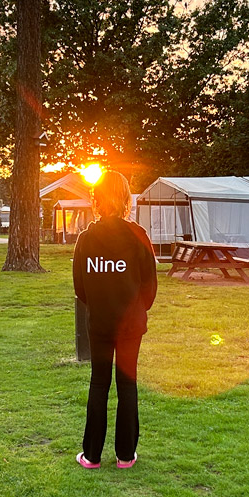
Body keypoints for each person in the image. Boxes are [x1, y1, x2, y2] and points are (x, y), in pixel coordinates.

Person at [72, 170, 157, 469]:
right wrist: (134, 308)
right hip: (130, 324)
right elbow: (150, 287)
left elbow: (80, 287)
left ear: (97, 199)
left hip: (100, 323)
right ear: (125, 199)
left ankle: (92, 455)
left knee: (99, 383)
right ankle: (125, 455)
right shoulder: (138, 237)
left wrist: (101, 304)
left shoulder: (86, 239)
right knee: (127, 383)